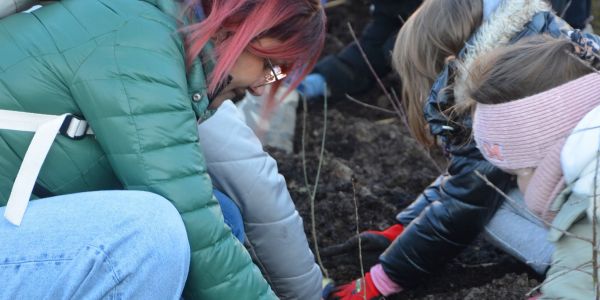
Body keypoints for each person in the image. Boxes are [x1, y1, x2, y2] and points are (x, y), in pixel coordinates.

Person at [0, 0, 325, 299]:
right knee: (149, 233)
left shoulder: (157, 31)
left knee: (223, 216)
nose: (258, 87)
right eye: (271, 67)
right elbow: (190, 212)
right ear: (236, 29)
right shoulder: (139, 46)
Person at [326, 0, 600, 299]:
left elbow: (463, 207)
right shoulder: (528, 40)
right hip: (584, 192)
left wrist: (382, 280)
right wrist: (404, 225)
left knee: (493, 204)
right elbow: (464, 173)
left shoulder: (503, 98)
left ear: (449, 64)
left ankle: (568, 273)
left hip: (587, 230)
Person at [468, 35, 600, 299]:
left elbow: (570, 290)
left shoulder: (588, 205)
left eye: (518, 173)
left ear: (552, 156)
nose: (517, 184)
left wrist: (563, 279)